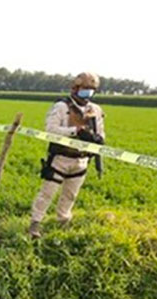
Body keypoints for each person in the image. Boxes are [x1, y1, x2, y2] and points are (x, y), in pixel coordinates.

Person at [29, 72, 106, 239]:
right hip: (60, 158)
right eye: (85, 89)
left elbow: (101, 133)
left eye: (92, 90)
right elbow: (50, 130)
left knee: (70, 195)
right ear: (75, 88)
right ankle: (35, 223)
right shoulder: (61, 107)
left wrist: (97, 139)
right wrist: (75, 131)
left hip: (82, 160)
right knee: (47, 193)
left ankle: (63, 221)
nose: (88, 93)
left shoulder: (96, 110)